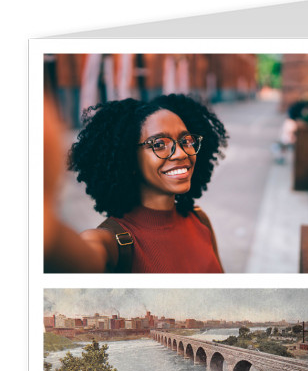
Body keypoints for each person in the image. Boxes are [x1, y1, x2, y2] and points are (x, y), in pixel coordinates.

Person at [46, 93, 228, 273]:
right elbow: (70, 256)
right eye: (159, 144)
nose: (181, 153)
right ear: (129, 158)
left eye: (186, 140)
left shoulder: (200, 220)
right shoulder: (111, 243)